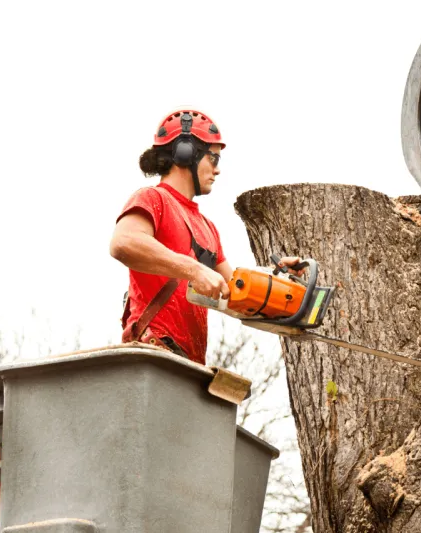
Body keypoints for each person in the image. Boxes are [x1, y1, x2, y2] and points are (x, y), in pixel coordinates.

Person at [109, 108, 298, 364]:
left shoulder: (207, 227)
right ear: (185, 153)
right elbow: (124, 243)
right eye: (214, 159)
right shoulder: (153, 199)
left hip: (188, 363)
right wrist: (194, 270)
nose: (217, 170)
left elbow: (235, 292)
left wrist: (279, 283)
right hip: (152, 353)